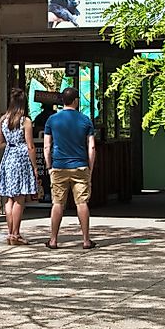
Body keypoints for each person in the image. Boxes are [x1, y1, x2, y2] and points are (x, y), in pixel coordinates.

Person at [42, 86, 97, 249]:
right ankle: (86, 240)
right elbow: (92, 147)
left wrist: (49, 166)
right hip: (80, 166)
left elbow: (46, 146)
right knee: (82, 203)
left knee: (58, 203)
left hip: (59, 166)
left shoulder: (52, 120)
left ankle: (53, 239)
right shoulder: (85, 120)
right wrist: (90, 168)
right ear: (76, 101)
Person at [0, 87, 38, 245]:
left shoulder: (3, 120)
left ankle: (9, 233)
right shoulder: (25, 121)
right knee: (20, 198)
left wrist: (10, 144)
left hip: (8, 158)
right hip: (21, 159)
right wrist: (34, 167)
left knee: (9, 199)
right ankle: (16, 234)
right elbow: (30, 146)